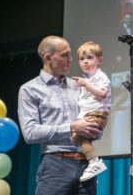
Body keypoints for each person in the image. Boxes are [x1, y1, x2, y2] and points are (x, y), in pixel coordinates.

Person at [18, 36, 101, 195]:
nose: (70, 59)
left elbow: (92, 118)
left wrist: (95, 129)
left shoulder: (78, 86)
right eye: (65, 55)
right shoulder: (29, 90)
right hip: (55, 165)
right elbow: (29, 133)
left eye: (70, 55)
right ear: (48, 58)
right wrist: (72, 127)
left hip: (86, 164)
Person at [71, 41, 111, 182]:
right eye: (82, 59)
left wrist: (86, 84)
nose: (85, 62)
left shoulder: (100, 76)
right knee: (77, 137)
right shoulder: (86, 78)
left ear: (99, 60)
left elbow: (102, 93)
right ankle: (93, 166)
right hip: (89, 114)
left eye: (89, 58)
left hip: (97, 114)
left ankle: (95, 162)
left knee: (77, 136)